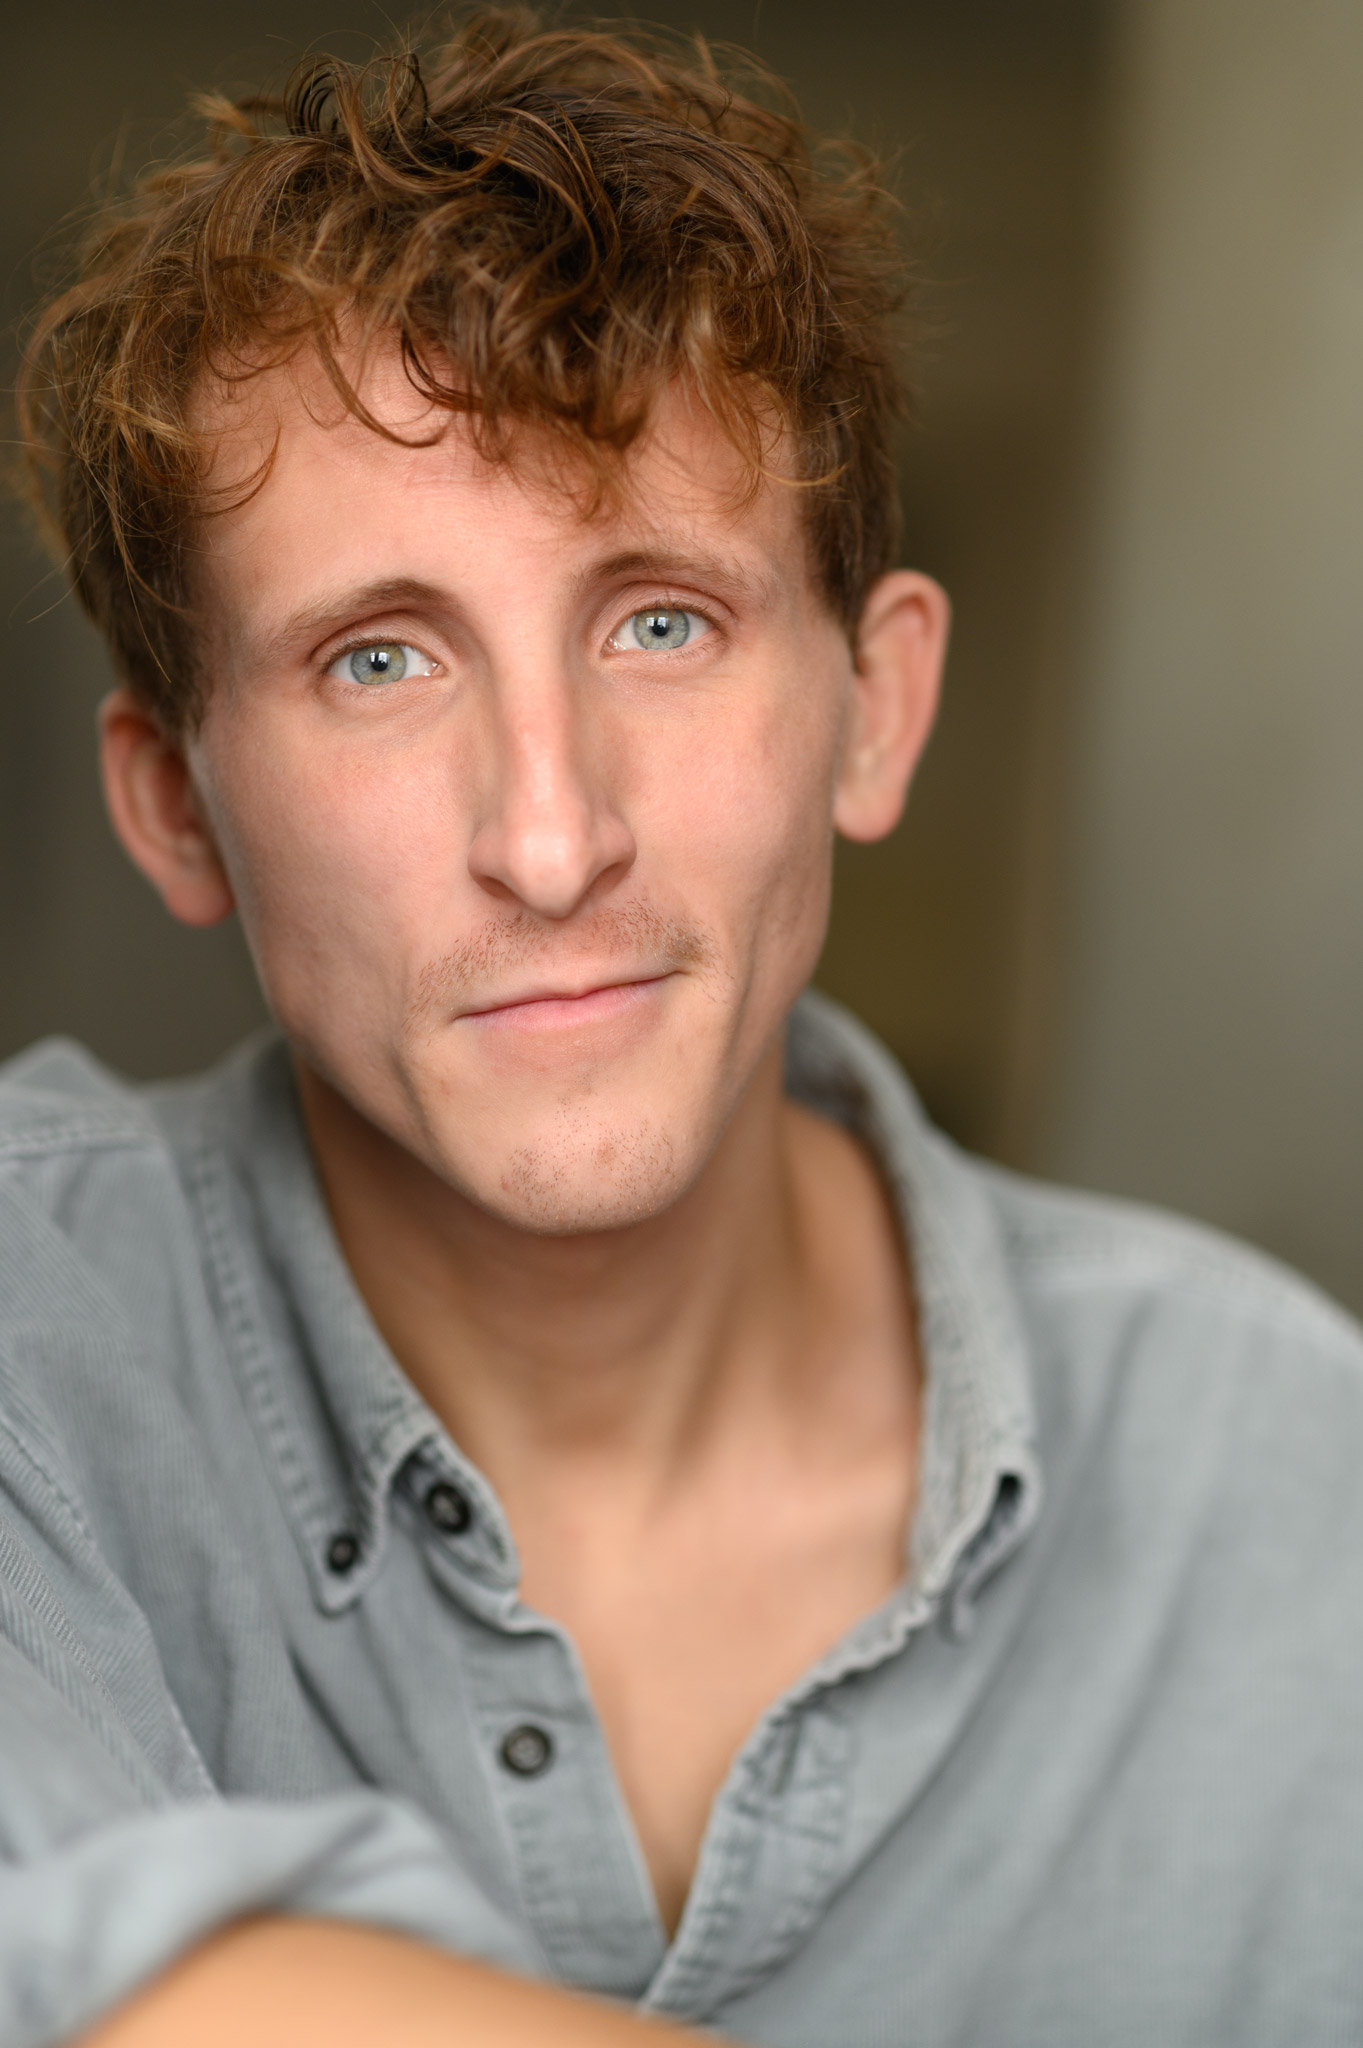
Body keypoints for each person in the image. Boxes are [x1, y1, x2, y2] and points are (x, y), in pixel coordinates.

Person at [4, 10, 1363, 2045]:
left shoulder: (1293, 1468)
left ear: (875, 708)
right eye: (379, 661)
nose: (552, 840)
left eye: (662, 621)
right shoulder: (27, 1337)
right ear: (175, 806)